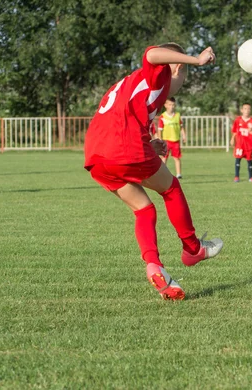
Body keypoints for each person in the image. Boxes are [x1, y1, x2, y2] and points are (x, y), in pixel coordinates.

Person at [83, 43, 223, 301]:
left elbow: (121, 116)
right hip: (123, 148)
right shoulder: (156, 73)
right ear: (176, 65)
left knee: (144, 209)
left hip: (96, 155)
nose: (181, 80)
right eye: (182, 71)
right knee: (171, 188)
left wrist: (148, 141)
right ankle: (192, 248)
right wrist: (196, 59)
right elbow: (151, 54)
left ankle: (154, 266)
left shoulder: (137, 86)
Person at [157, 97, 186, 179]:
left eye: (173, 105)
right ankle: (162, 174)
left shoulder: (177, 115)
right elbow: (160, 129)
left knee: (177, 157)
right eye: (170, 104)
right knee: (164, 158)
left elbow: (181, 126)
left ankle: (179, 174)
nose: (172, 106)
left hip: (175, 140)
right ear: (165, 105)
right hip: (166, 140)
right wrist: (160, 139)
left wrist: (184, 135)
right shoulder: (163, 117)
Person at [230, 103, 252, 182]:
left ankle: (250, 177)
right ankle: (236, 177)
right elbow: (235, 131)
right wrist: (232, 139)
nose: (247, 110)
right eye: (245, 108)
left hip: (249, 145)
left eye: (248, 109)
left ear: (250, 110)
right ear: (242, 110)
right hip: (240, 144)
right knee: (238, 159)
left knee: (249, 160)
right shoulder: (238, 120)